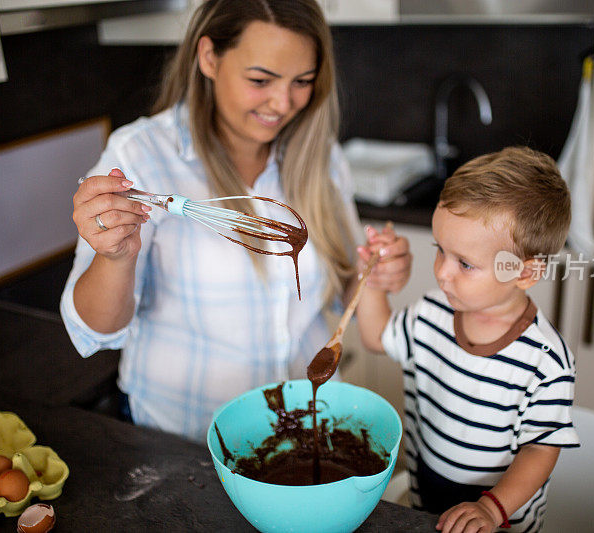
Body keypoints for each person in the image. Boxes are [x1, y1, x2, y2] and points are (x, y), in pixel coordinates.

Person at [60, 0, 410, 442]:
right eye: (260, 79)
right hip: (183, 443)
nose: (282, 103)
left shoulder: (318, 156)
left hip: (302, 426)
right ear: (209, 57)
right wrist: (113, 258)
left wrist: (374, 271)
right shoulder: (140, 157)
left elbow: (342, 288)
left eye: (302, 82)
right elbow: (93, 330)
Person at [356, 146, 579, 533]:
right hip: (426, 508)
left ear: (525, 273)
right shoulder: (432, 312)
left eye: (465, 264)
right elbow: (377, 337)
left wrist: (492, 510)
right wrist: (373, 282)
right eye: (440, 250)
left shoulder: (546, 362)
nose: (442, 273)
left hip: (496, 523)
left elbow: (541, 449)